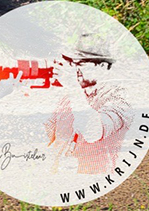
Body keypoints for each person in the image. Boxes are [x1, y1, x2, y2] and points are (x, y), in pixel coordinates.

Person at [45, 32, 131, 174]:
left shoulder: (118, 99)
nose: (77, 70)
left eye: (84, 64)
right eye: (75, 64)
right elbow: (47, 134)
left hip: (97, 178)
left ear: (103, 66)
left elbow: (93, 133)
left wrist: (73, 90)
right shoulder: (71, 97)